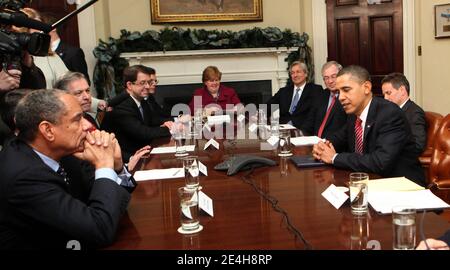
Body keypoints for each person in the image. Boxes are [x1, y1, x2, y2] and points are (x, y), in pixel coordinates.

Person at [0, 89, 134, 249]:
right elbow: (100, 229)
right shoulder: (24, 177)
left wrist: (116, 166)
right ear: (48, 130)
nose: (88, 126)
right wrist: (104, 165)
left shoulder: (64, 152)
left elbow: (108, 203)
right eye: (78, 119)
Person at [312, 65, 425, 186]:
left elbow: (380, 162)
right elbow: (339, 138)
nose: (341, 97)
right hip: (368, 181)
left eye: (346, 90)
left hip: (400, 185)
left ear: (366, 87)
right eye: (339, 92)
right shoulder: (353, 114)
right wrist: (323, 146)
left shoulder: (390, 113)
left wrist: (334, 158)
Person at [111, 65, 172, 161]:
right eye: (143, 83)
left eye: (148, 82)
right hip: (128, 158)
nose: (148, 86)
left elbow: (153, 121)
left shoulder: (141, 100)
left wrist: (167, 124)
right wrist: (171, 128)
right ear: (129, 85)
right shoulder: (122, 107)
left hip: (144, 151)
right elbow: (143, 133)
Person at [267, 61, 322, 128]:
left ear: (306, 74)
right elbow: (269, 105)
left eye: (298, 72)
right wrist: (256, 113)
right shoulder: (283, 91)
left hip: (304, 129)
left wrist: (302, 131)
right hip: (283, 128)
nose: (295, 75)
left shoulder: (315, 90)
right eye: (292, 73)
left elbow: (315, 115)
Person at [381, 73, 427, 154]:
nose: (385, 98)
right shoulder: (388, 112)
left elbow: (418, 146)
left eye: (388, 93)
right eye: (384, 94)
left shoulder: (415, 112)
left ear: (402, 90)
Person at [41, 12, 91, 85]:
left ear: (53, 28)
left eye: (41, 26)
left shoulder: (73, 53)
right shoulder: (40, 53)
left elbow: (84, 82)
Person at [302, 61, 347, 138]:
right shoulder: (321, 95)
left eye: (333, 76)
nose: (330, 81)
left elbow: (346, 129)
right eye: (326, 78)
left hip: (335, 145)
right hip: (315, 142)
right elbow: (309, 122)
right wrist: (301, 136)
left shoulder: (347, 97)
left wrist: (327, 143)